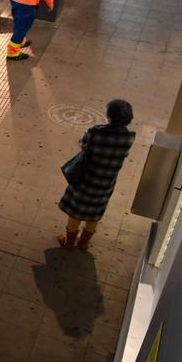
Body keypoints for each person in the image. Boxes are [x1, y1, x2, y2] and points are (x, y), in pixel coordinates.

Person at [58, 99, 136, 251]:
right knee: (94, 213)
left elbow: (84, 144)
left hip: (85, 180)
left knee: (76, 212)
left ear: (109, 116)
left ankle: (69, 242)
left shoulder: (96, 132)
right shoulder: (129, 137)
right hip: (105, 184)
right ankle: (83, 243)